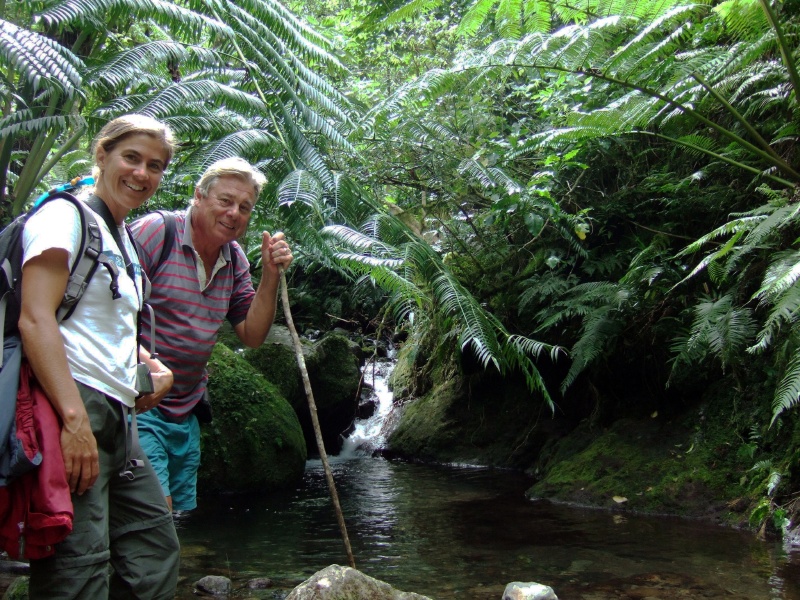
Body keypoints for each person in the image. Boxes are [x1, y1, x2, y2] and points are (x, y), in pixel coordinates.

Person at [18, 114, 181, 598]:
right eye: (131, 157)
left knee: (153, 551)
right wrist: (72, 421)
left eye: (155, 165)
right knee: (79, 565)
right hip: (71, 402)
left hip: (119, 415)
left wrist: (150, 364)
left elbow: (102, 320)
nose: (142, 173)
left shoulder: (120, 233)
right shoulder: (64, 217)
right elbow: (36, 317)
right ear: (102, 154)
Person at [131, 157, 294, 512]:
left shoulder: (234, 259)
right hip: (138, 403)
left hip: (186, 410)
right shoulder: (157, 233)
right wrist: (151, 369)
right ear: (199, 196)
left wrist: (270, 275)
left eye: (244, 207)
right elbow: (107, 312)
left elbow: (252, 334)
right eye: (225, 200)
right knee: (155, 513)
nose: (234, 213)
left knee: (173, 516)